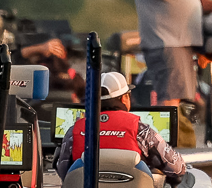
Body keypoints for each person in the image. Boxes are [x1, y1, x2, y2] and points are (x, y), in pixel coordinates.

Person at [53, 71, 188, 180]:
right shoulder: (141, 130)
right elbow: (177, 168)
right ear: (124, 98)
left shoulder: (74, 130)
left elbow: (64, 172)